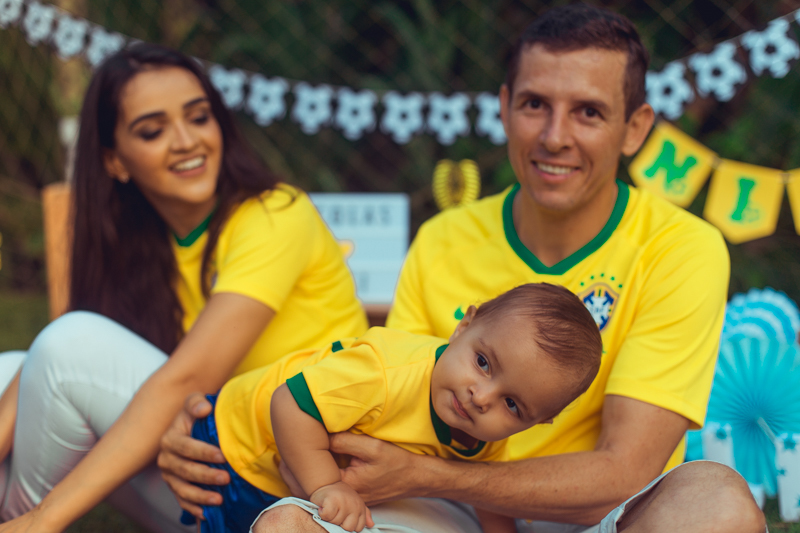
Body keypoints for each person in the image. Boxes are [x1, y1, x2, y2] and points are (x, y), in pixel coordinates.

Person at [159, 4, 766, 533]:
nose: (555, 137)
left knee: (719, 505)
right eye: (534, 104)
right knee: (289, 523)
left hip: (597, 517)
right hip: (446, 509)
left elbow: (624, 472)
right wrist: (223, 417)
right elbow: (376, 403)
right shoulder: (444, 239)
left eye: (588, 112)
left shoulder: (681, 247)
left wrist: (430, 472)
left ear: (634, 128)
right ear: (503, 109)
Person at [0, 43, 367, 533]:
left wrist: (45, 518)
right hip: (211, 467)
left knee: (69, 346)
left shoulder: (275, 213)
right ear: (114, 161)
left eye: (199, 118)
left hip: (306, 486)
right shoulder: (141, 248)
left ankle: (26, 524)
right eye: (153, 131)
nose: (186, 141)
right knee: (10, 370)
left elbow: (185, 379)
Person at [186, 283, 602, 533]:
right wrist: (329, 487)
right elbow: (290, 403)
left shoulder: (484, 432)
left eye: (511, 404)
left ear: (537, 422)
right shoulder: (386, 373)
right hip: (236, 442)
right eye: (483, 362)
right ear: (464, 326)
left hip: (293, 466)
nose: (481, 396)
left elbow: (485, 489)